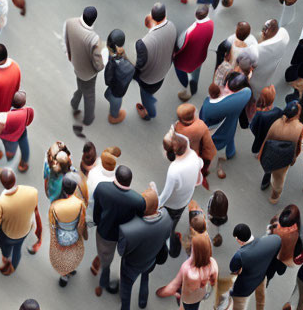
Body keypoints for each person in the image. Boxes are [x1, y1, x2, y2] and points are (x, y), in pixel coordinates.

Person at [109, 188, 172, 310]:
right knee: (145, 278)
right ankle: (143, 301)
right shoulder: (167, 216)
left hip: (132, 265)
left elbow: (122, 251)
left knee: (126, 289)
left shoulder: (129, 230)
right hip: (151, 259)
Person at [217, 223, 282, 310]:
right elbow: (277, 244)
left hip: (244, 286)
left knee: (237, 307)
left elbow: (234, 269)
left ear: (239, 240)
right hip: (261, 277)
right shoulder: (272, 240)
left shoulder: (240, 255)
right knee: (261, 300)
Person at [92, 165, 146, 295]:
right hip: (126, 236)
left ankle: (103, 281)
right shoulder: (138, 201)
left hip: (106, 233)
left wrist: (99, 223)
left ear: (115, 176)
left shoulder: (102, 188)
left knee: (106, 259)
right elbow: (137, 220)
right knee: (125, 261)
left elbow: (97, 212)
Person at [157, 232, 219, 310]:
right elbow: (213, 280)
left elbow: (176, 284)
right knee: (194, 309)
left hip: (187, 295)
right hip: (201, 292)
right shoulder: (212, 263)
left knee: (186, 306)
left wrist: (162, 292)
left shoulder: (187, 268)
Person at [0, 168, 42, 275]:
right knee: (18, 249)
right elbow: (34, 209)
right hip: (25, 230)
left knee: (5, 249)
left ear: (3, 184)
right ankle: (13, 267)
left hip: (8, 235)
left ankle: (5, 259)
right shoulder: (32, 191)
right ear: (15, 179)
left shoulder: (2, 202)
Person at [157, 128, 203, 257]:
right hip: (185, 199)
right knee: (174, 222)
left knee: (167, 225)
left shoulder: (174, 170)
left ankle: (167, 247)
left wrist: (155, 205)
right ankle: (170, 240)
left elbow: (166, 194)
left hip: (173, 204)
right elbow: (200, 164)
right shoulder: (192, 154)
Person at [199, 75, 253, 176]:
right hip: (230, 126)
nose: (226, 89)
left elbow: (203, 118)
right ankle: (230, 153)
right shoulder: (245, 95)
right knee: (229, 138)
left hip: (216, 134)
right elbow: (247, 90)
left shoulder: (210, 107)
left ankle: (207, 166)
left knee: (212, 149)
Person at [134, 2, 178, 120]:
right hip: (164, 70)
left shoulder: (143, 43)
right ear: (165, 15)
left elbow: (139, 66)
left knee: (146, 96)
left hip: (149, 80)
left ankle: (149, 114)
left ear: (152, 17)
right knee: (150, 93)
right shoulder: (172, 26)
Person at [64, 6, 103, 128]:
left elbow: (67, 41)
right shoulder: (94, 39)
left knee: (81, 84)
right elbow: (99, 65)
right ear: (94, 21)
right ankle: (88, 119)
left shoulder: (70, 23)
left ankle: (75, 102)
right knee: (89, 95)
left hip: (76, 65)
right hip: (88, 74)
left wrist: (70, 55)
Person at [258, 99, 303, 204]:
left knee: (269, 167)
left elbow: (266, 140)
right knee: (279, 179)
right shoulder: (300, 128)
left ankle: (265, 181)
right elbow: (298, 147)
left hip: (270, 153)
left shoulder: (277, 123)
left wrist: (261, 154)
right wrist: (294, 158)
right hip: (283, 157)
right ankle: (274, 196)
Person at [48, 176, 87, 288]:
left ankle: (64, 275)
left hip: (61, 235)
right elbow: (82, 221)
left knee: (62, 256)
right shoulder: (80, 203)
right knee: (72, 253)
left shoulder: (55, 206)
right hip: (74, 233)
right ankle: (72, 268)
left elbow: (52, 225)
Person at [174, 5, 213, 101]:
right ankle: (194, 87)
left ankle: (186, 87)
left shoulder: (190, 31)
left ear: (196, 15)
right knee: (196, 70)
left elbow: (179, 45)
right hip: (200, 55)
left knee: (179, 69)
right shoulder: (210, 23)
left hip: (186, 59)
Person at [174, 103, 216, 189]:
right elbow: (208, 144)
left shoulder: (177, 127)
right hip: (196, 154)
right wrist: (209, 155)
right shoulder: (200, 126)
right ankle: (196, 181)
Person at [249, 20, 290, 101]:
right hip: (270, 71)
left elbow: (248, 65)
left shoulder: (257, 50)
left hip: (255, 76)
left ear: (264, 33)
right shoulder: (284, 35)